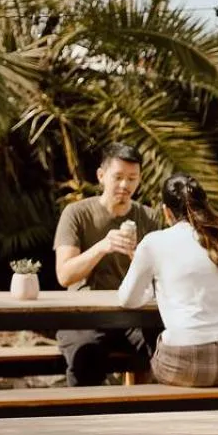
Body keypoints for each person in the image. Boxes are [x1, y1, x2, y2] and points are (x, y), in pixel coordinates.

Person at [117, 174, 218, 386]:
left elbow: (127, 299)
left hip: (187, 363)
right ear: (205, 204)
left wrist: (153, 291)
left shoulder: (154, 243)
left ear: (166, 211)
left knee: (146, 363)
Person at [53, 142, 161, 385]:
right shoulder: (76, 214)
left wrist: (139, 257)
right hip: (85, 315)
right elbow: (65, 275)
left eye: (132, 178)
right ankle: (84, 420)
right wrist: (102, 246)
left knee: (165, 348)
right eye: (118, 177)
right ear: (101, 176)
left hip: (134, 314)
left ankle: (148, 416)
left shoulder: (149, 218)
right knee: (86, 358)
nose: (125, 185)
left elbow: (161, 278)